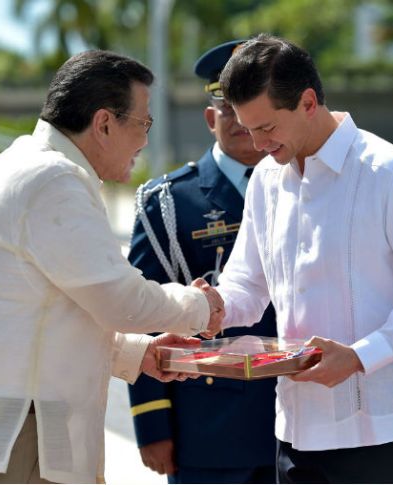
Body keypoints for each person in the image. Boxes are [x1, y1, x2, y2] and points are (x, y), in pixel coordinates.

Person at [0, 50, 224, 484]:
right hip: (12, 438)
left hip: (9, 434)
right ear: (104, 123)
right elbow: (119, 299)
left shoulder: (32, 165)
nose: (145, 140)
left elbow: (55, 311)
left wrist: (140, 353)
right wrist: (202, 306)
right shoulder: (52, 179)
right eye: (143, 123)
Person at [213, 34, 393, 484]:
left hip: (384, 436)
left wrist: (358, 356)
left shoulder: (391, 173)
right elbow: (247, 287)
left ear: (308, 102)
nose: (256, 143)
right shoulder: (266, 181)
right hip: (296, 432)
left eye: (267, 128)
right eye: (248, 128)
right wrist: (207, 307)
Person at [126, 40, 277, 484]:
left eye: (249, 107)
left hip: (300, 418)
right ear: (211, 118)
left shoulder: (304, 190)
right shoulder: (169, 202)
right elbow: (143, 314)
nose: (240, 121)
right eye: (227, 108)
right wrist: (152, 424)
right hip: (208, 429)